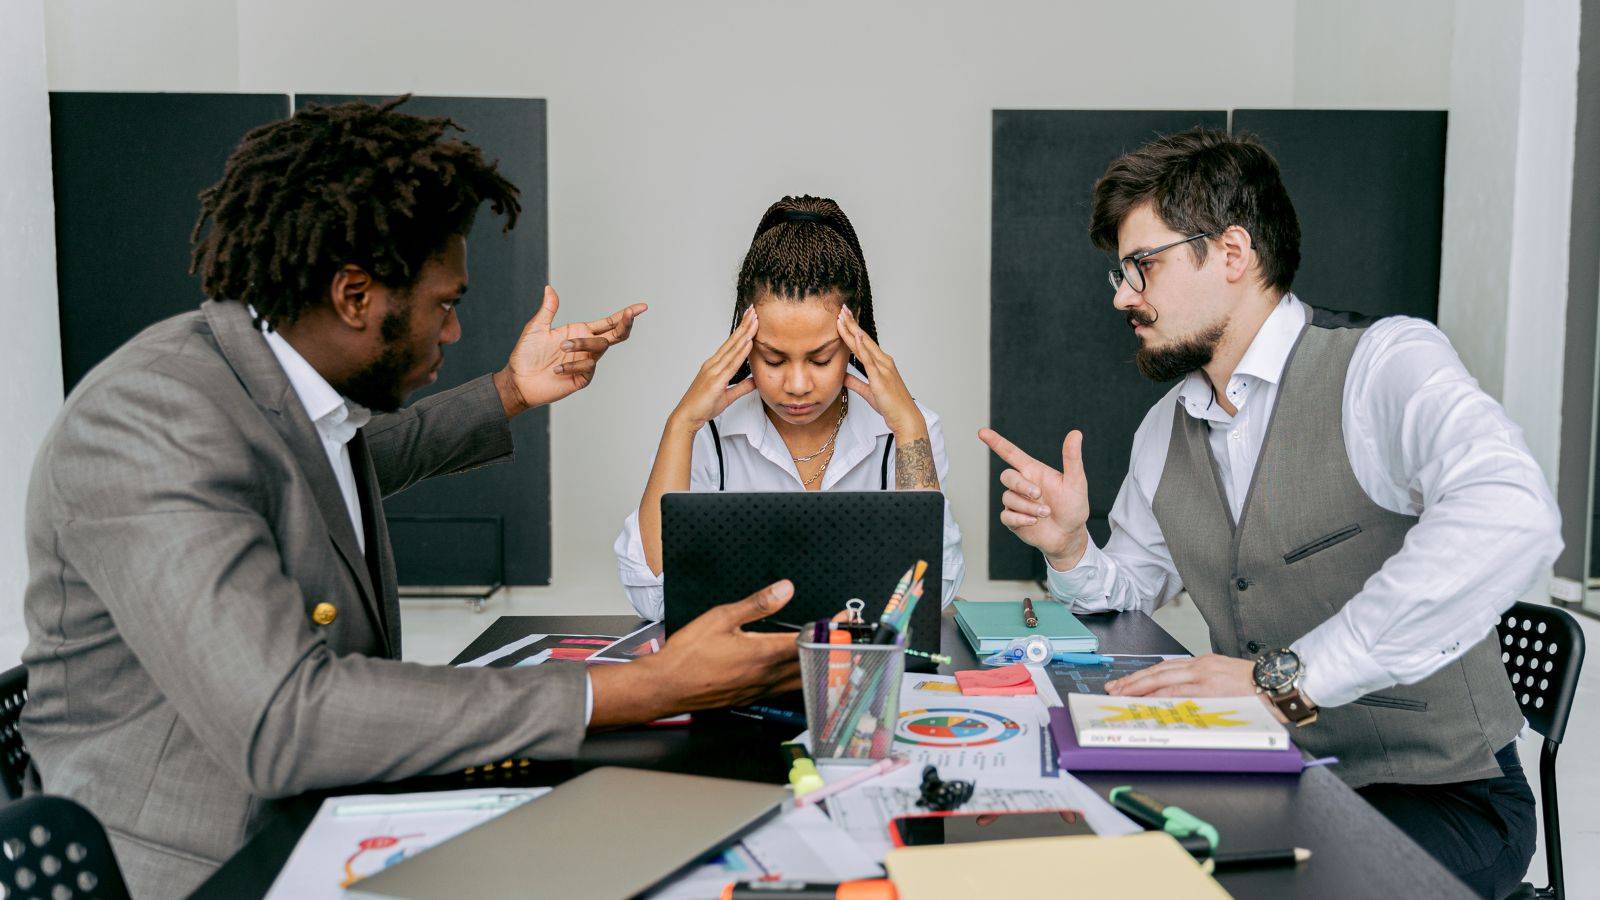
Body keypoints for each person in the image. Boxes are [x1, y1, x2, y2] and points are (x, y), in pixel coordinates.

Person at [20, 98, 800, 898]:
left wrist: (510, 391)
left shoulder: (267, 387)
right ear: (356, 296)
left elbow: (351, 465)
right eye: (446, 305)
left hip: (327, 821)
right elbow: (287, 720)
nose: (454, 332)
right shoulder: (150, 420)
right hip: (204, 867)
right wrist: (645, 687)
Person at [980, 128, 1557, 899]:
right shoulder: (1167, 427)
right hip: (1270, 771)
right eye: (1119, 274)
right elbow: (1132, 590)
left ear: (1231, 252)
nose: (1123, 295)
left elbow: (1512, 510)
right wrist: (1072, 549)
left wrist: (1285, 680)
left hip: (1442, 796)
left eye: (1140, 267)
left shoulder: (1383, 365)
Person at [615, 196, 965, 620]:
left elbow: (928, 595)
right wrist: (681, 424)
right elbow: (654, 596)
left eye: (821, 359)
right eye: (773, 359)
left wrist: (908, 426)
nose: (797, 386)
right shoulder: (704, 432)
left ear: (855, 341)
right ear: (743, 346)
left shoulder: (910, 429)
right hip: (739, 679)